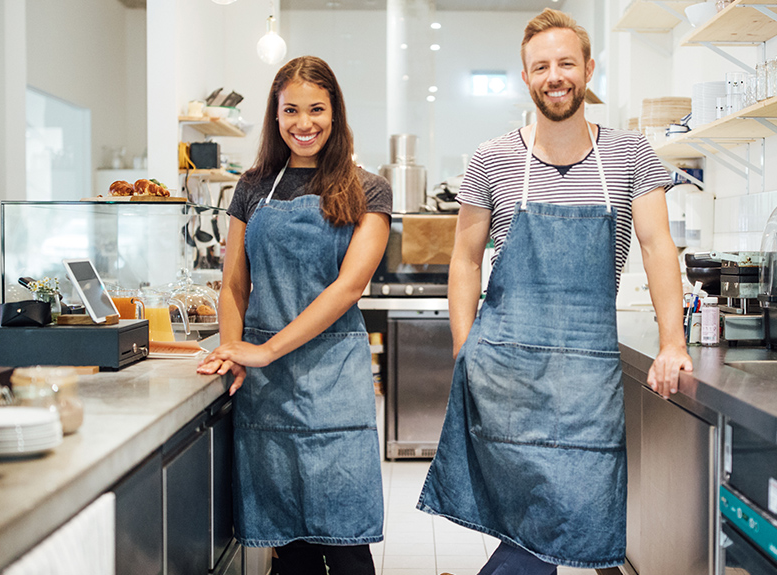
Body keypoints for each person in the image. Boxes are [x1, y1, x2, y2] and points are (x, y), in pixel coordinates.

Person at [417, 8, 692, 574]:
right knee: (533, 522)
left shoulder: (632, 154)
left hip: (588, 379)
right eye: (540, 66)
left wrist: (673, 341)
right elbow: (465, 260)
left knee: (588, 510)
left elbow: (659, 246)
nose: (555, 75)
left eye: (566, 63)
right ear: (526, 78)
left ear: (588, 69)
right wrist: (463, 346)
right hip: (506, 373)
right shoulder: (493, 159)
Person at [197, 55, 392, 575]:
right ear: (275, 115)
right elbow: (235, 284)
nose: (304, 124)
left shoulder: (368, 189)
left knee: (347, 543)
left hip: (334, 376)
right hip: (267, 385)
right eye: (291, 111)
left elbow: (349, 287)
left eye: (316, 110)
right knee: (289, 544)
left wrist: (262, 350)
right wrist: (233, 350)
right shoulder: (253, 186)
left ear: (335, 113)